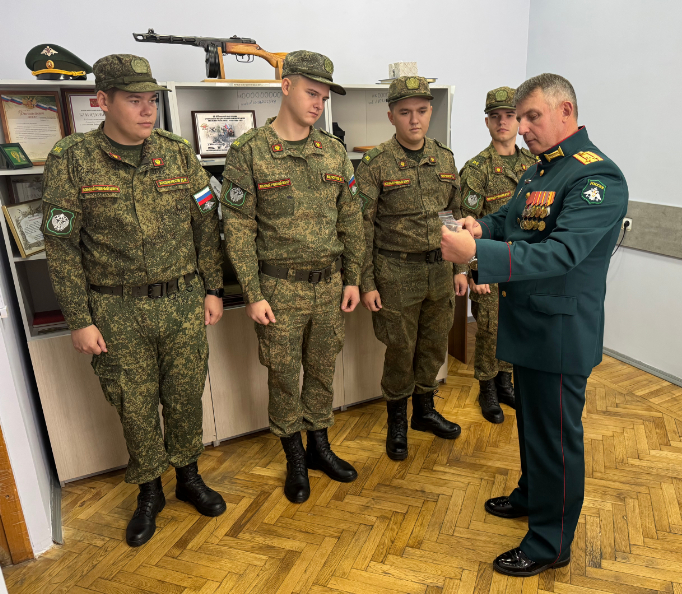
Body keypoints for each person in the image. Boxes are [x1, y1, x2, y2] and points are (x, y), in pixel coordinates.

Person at [441, 73, 628, 577]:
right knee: (533, 427)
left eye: (531, 117)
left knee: (555, 440)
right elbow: (511, 220)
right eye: (519, 118)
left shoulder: (596, 178)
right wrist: (481, 226)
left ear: (565, 111)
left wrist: (475, 253)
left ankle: (550, 543)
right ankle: (531, 495)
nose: (521, 128)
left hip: (560, 333)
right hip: (530, 325)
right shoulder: (541, 171)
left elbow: (561, 253)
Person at [41, 54, 226, 548]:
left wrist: (212, 288)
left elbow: (205, 222)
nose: (147, 111)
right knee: (134, 402)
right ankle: (149, 489)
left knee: (185, 394)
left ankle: (188, 475)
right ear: (103, 101)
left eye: (151, 100)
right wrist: (78, 319)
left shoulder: (177, 153)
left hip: (182, 300)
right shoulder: (72, 159)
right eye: (134, 100)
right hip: (115, 309)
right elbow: (61, 246)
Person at [221, 50, 364, 504]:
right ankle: (295, 457)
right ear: (286, 87)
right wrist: (253, 292)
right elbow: (237, 228)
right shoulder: (250, 151)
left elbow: (352, 219)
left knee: (322, 369)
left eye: (323, 97)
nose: (318, 103)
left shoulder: (334, 151)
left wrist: (353, 279)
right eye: (310, 92)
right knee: (284, 375)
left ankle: (320, 446)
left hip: (329, 285)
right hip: (279, 289)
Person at [356, 76, 466, 461]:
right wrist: (366, 282)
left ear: (430, 111)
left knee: (434, 344)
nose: (414, 119)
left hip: (440, 271)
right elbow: (362, 226)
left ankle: (424, 410)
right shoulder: (375, 163)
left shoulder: (445, 158)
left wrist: (461, 269)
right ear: (391, 116)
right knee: (401, 350)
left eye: (421, 110)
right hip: (396, 273)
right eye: (405, 112)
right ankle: (398, 421)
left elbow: (455, 215)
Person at [459, 86, 536, 423]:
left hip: (521, 264)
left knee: (515, 326)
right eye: (495, 116)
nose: (502, 122)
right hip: (490, 265)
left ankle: (506, 383)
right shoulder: (478, 168)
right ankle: (487, 389)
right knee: (490, 330)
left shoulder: (534, 165)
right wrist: (473, 270)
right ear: (487, 122)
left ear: (518, 120)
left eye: (509, 116)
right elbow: (466, 224)